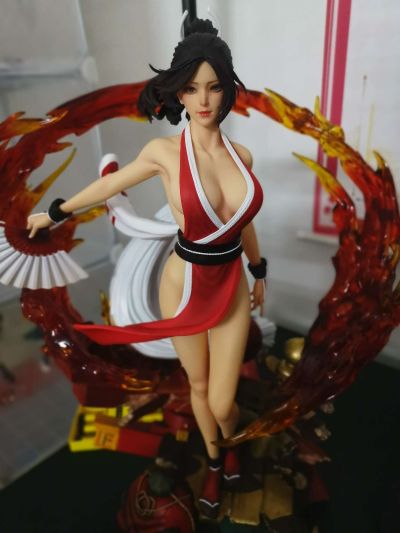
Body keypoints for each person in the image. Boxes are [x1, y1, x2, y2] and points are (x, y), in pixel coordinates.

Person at [26, 18, 267, 519]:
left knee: (224, 403)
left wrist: (259, 269)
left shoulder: (241, 155)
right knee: (198, 387)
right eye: (191, 88)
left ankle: (232, 443)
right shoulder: (164, 153)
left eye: (214, 86)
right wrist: (54, 212)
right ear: (178, 91)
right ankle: (217, 464)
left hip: (230, 284)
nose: (203, 100)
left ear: (228, 87)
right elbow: (108, 187)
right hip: (183, 284)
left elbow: (243, 222)